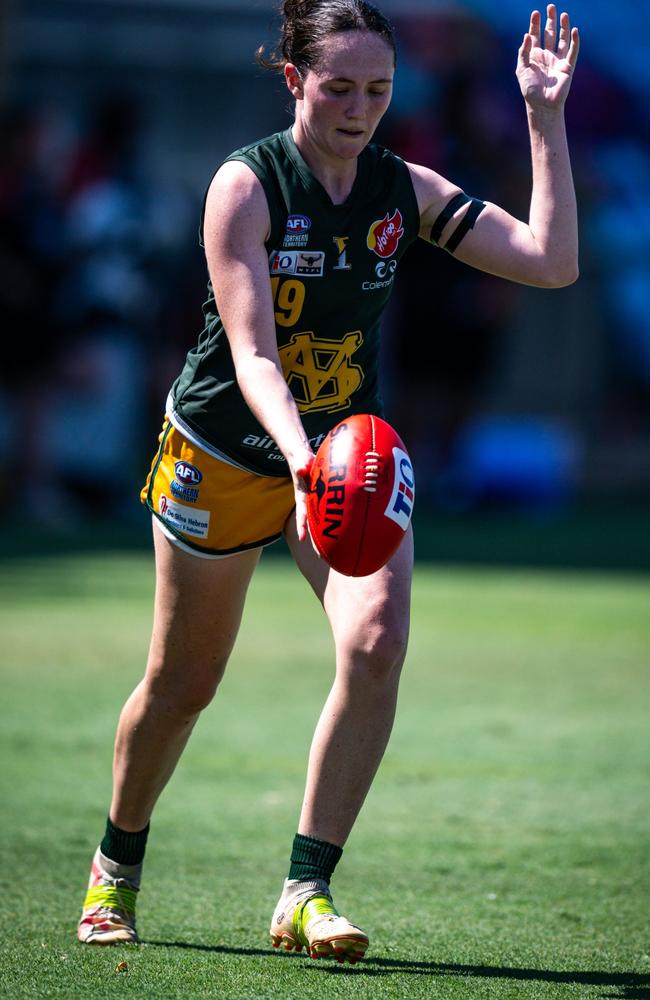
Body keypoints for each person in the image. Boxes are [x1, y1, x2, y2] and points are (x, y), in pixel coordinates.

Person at [77, 0, 579, 963]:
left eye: (378, 90)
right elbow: (255, 354)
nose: (359, 108)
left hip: (347, 455)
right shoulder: (247, 186)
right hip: (226, 450)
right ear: (294, 80)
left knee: (379, 641)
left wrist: (542, 117)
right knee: (184, 683)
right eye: (339, 86)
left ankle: (306, 890)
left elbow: (551, 263)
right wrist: (302, 462)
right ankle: (115, 867)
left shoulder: (403, 188)